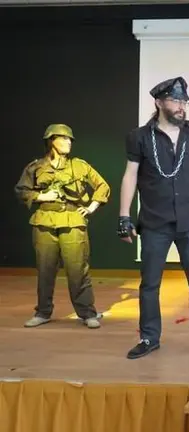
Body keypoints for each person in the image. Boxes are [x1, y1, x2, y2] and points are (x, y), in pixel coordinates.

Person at [117, 76, 189, 360]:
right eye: (175, 100)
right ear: (159, 102)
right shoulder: (139, 137)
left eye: (184, 101)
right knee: (150, 284)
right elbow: (130, 175)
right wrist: (124, 216)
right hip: (154, 222)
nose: (181, 106)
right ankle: (149, 337)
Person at [14, 124, 110, 330]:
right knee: (45, 270)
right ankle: (43, 312)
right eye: (64, 138)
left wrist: (91, 207)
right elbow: (21, 190)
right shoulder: (36, 167)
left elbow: (102, 186)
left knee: (78, 270)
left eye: (70, 139)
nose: (68, 142)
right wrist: (42, 196)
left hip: (72, 220)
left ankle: (87, 313)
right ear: (51, 141)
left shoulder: (79, 166)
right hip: (45, 220)